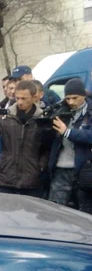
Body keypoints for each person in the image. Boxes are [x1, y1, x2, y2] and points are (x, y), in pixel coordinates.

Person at [0, 81, 53, 197]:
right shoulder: (6, 116)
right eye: (18, 98)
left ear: (34, 97)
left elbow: (47, 147)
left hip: (31, 179)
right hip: (6, 178)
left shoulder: (41, 119)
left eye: (24, 99)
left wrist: (40, 166)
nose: (20, 102)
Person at [47, 78, 92, 214]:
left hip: (84, 170)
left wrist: (67, 132)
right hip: (60, 169)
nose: (71, 102)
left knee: (85, 214)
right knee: (55, 212)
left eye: (75, 98)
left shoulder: (89, 112)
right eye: (68, 98)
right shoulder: (60, 111)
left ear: (83, 95)